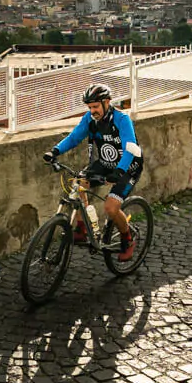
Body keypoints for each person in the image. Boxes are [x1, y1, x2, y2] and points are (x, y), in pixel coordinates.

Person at [46, 84, 143, 261]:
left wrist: (119, 171)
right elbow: (75, 137)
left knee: (110, 207)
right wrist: (55, 151)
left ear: (107, 102)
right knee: (78, 183)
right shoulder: (90, 119)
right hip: (105, 163)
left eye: (96, 107)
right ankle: (83, 228)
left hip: (128, 166)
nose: (92, 111)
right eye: (89, 107)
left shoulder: (121, 119)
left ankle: (127, 239)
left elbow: (130, 148)